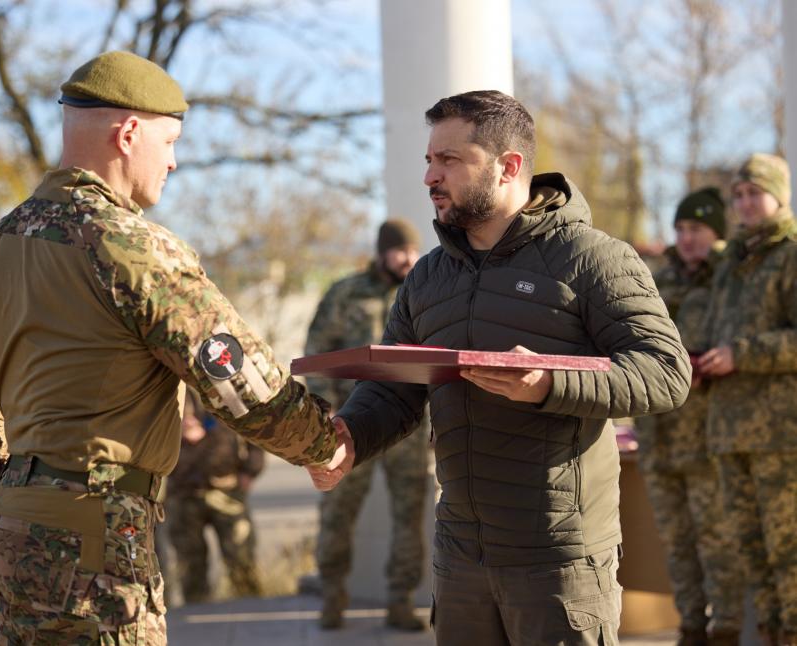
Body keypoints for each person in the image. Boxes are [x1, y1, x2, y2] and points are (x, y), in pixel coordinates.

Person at [0, 50, 342, 645]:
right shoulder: (131, 247)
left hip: (14, 524)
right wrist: (322, 445)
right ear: (128, 135)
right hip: (99, 533)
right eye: (169, 142)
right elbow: (233, 375)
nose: (173, 161)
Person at [307, 90, 691, 645]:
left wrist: (552, 384)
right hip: (460, 557)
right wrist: (350, 439)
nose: (430, 177)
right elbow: (395, 389)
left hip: (559, 560)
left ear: (509, 167)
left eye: (450, 160)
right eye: (429, 160)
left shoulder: (594, 259)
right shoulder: (428, 277)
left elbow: (666, 371)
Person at [304, 218, 430, 631]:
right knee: (337, 513)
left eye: (413, 250)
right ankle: (333, 596)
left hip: (406, 429)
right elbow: (317, 350)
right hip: (347, 425)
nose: (410, 259)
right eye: (401, 251)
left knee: (409, 516)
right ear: (381, 252)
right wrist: (327, 408)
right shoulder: (345, 293)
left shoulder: (421, 292)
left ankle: (400, 600)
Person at [634, 188, 743, 646]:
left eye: (696, 229)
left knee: (717, 541)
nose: (686, 238)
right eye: (680, 229)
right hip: (659, 435)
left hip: (707, 434)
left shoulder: (729, 278)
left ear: (716, 232)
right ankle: (692, 628)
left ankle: (729, 628)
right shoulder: (658, 280)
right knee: (676, 544)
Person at [697, 153, 797, 646]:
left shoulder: (792, 253)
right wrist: (701, 363)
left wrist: (743, 354)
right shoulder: (731, 261)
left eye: (754, 192)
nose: (744, 203)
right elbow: (719, 329)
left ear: (780, 194)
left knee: (790, 552)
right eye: (737, 195)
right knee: (751, 550)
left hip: (781, 433)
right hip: (728, 427)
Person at [166, 390, 264, 603]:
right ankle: (199, 620)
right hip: (183, 491)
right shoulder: (169, 384)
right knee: (190, 565)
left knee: (241, 558)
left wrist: (251, 469)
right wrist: (175, 430)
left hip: (227, 488)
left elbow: (255, 425)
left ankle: (252, 612)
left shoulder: (225, 380)